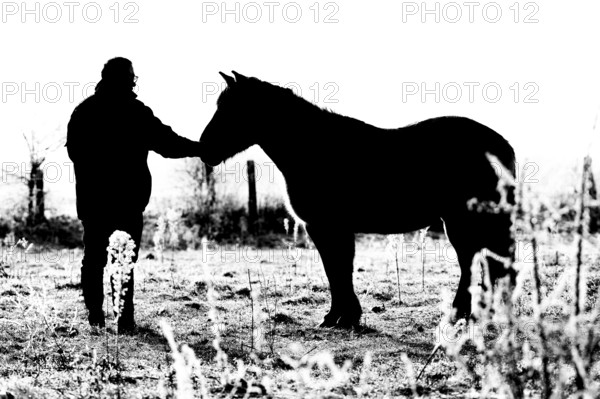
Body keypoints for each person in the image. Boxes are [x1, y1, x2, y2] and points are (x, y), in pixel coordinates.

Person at [66, 57, 202, 333]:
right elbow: (168, 143)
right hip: (128, 201)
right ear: (126, 79)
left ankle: (95, 317)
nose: (133, 81)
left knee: (93, 260)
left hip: (93, 202)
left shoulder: (84, 112)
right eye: (132, 77)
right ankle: (123, 321)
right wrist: (201, 149)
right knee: (123, 261)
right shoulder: (135, 112)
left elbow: (75, 152)